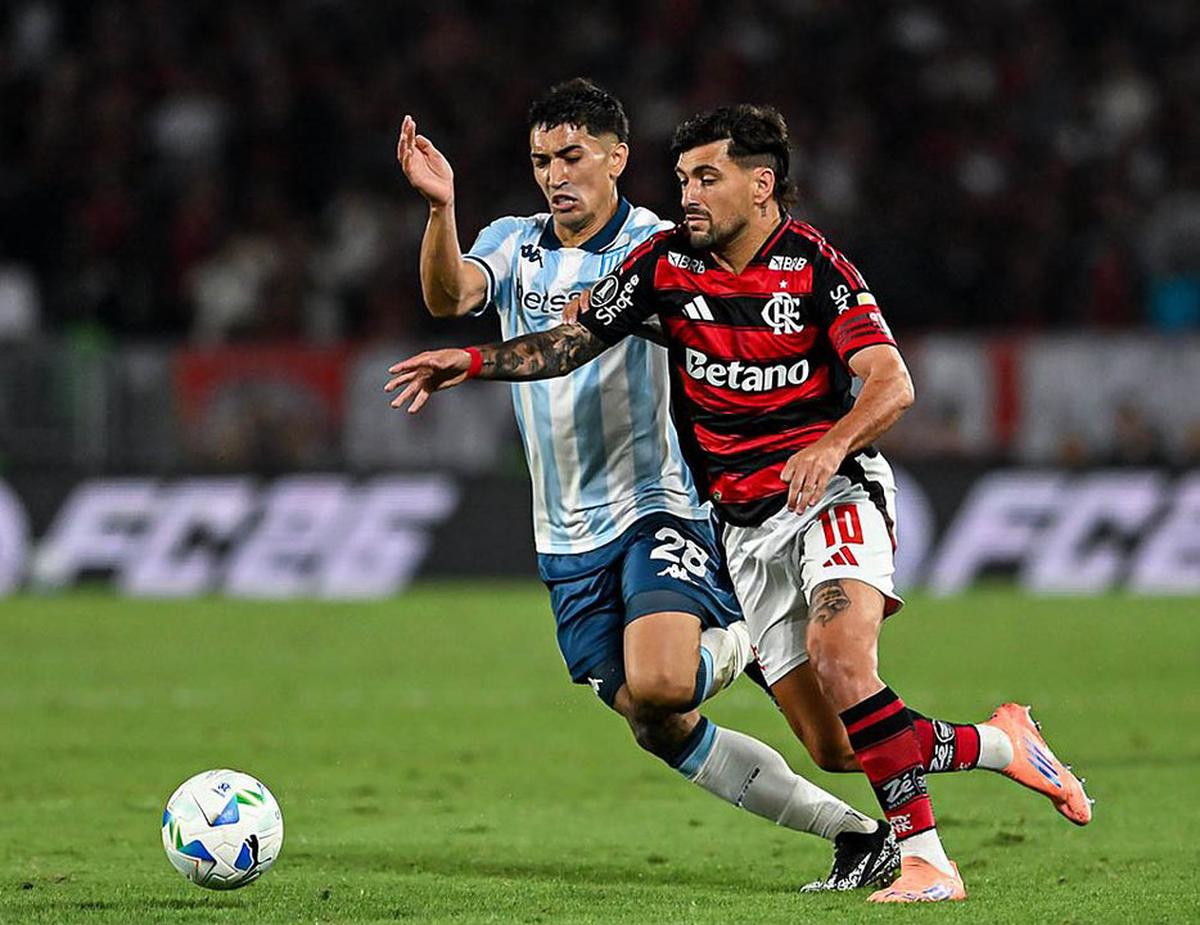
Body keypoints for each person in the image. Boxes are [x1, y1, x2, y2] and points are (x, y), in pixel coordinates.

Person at [387, 103, 1093, 903]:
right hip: (741, 522)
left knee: (841, 659)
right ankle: (1003, 743)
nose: (687, 193)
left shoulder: (815, 268)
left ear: (761, 186)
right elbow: (571, 343)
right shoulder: (662, 267)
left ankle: (929, 860)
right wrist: (473, 361)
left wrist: (831, 445)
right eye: (684, 176)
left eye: (706, 178)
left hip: (829, 492)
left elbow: (891, 382)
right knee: (833, 741)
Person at [393, 80, 899, 891]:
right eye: (539, 161)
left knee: (664, 677)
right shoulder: (513, 241)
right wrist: (439, 209)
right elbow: (450, 295)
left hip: (660, 503)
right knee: (652, 718)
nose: (555, 176)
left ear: (617, 157)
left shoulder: (666, 247)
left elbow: (747, 319)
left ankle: (746, 634)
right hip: (563, 532)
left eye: (572, 157)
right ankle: (855, 834)